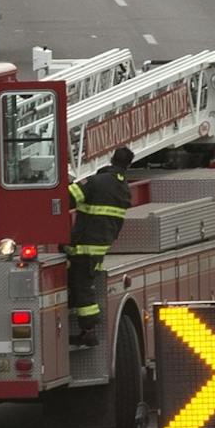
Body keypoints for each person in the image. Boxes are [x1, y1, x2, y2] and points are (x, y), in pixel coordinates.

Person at [66, 146, 136, 347]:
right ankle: (80, 318)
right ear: (128, 165)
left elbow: (67, 198)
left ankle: (89, 331)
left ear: (111, 159)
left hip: (82, 245)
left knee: (82, 286)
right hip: (99, 247)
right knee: (81, 282)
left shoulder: (96, 182)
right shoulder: (123, 189)